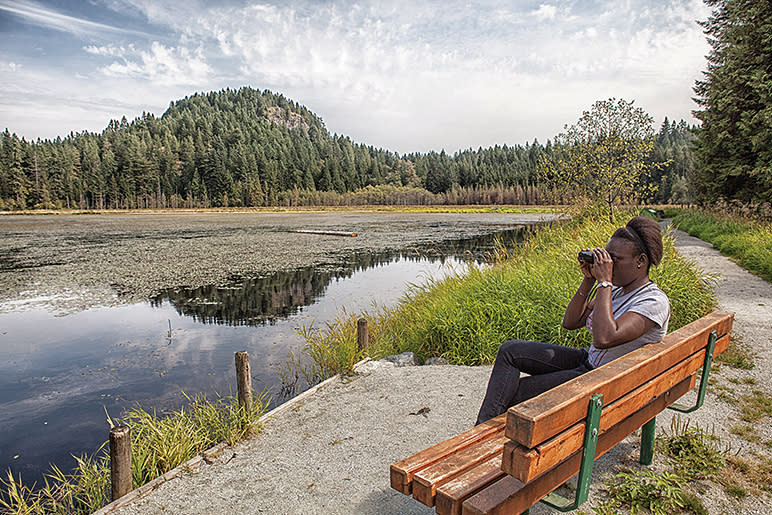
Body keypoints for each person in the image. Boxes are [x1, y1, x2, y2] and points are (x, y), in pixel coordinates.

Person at [475, 216, 670, 425]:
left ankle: (479, 437)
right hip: (588, 361)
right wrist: (588, 281)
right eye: (607, 259)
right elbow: (570, 322)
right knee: (510, 350)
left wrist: (604, 282)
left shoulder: (653, 301)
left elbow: (605, 338)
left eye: (616, 260)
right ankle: (481, 432)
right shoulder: (617, 291)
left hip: (602, 380)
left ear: (641, 260)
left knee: (511, 393)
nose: (609, 266)